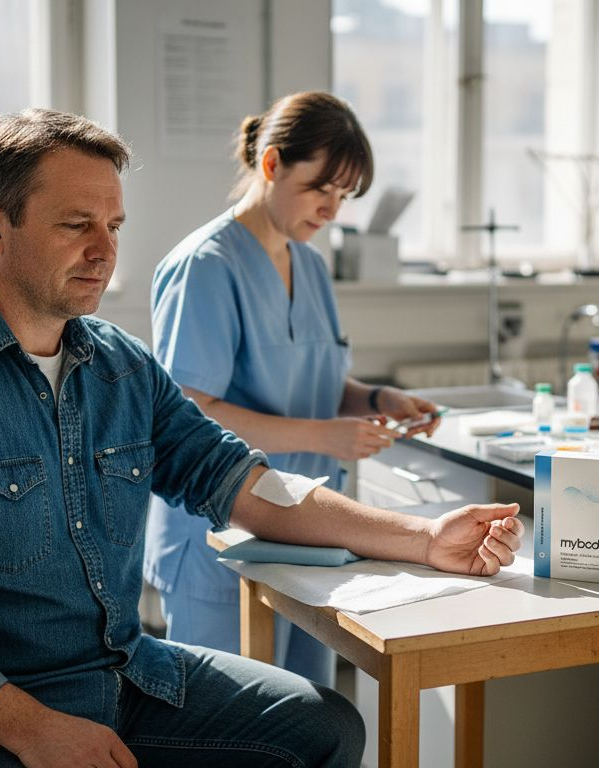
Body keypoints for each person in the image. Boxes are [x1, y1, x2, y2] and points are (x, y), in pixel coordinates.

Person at [0, 107, 524, 768]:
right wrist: (36, 731)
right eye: (75, 225)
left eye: (115, 226)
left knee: (327, 728)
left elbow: (246, 485)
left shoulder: (121, 365)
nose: (105, 252)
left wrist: (424, 537)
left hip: (124, 676)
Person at [146, 91, 441, 686]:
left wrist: (378, 399)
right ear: (273, 164)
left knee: (308, 712)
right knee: (226, 730)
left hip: (309, 537)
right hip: (220, 535)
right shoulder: (207, 266)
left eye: (343, 195)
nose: (332, 209)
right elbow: (189, 411)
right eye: (319, 188)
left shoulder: (307, 264)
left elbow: (313, 379)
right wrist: (326, 437)